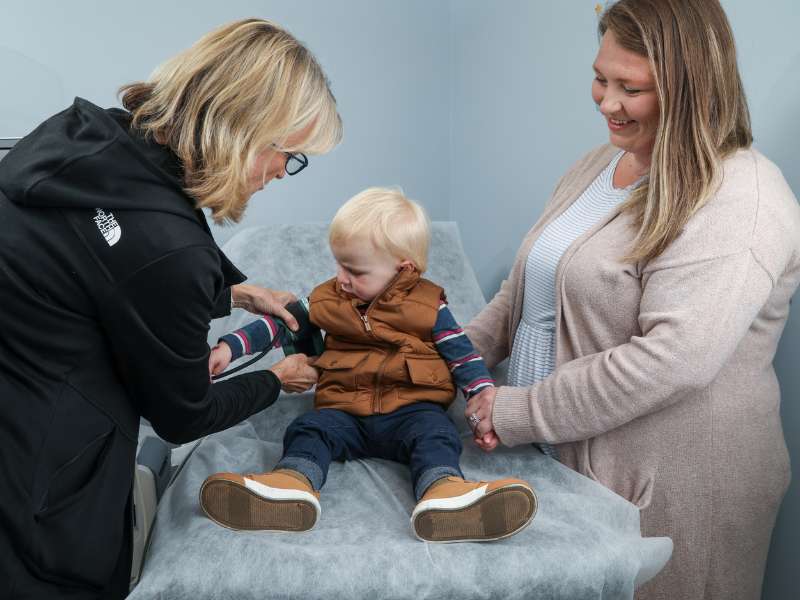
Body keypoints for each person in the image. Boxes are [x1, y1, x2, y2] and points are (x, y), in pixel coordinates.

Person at [462, 0, 800, 598]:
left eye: (631, 88)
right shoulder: (604, 163)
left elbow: (673, 358)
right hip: (563, 461)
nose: (607, 103)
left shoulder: (739, 199)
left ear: (692, 87)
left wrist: (517, 411)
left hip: (678, 489)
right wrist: (449, 360)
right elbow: (527, 289)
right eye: (600, 78)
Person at [0, 18, 341, 599]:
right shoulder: (167, 254)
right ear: (242, 130)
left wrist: (236, 290)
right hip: (41, 488)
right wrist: (274, 380)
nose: (285, 171)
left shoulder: (86, 136)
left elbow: (106, 253)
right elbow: (183, 415)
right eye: (289, 154)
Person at [199, 187, 537, 542]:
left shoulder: (428, 306)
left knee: (437, 436)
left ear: (402, 270)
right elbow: (279, 321)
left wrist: (482, 397)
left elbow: (463, 356)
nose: (342, 278)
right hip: (345, 410)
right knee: (310, 429)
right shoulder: (330, 297)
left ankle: (445, 494)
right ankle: (291, 484)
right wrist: (229, 348)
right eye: (339, 264)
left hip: (412, 409)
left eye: (355, 271)